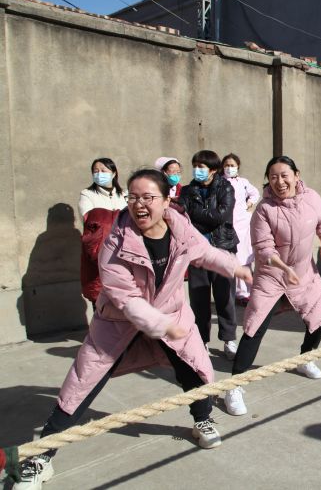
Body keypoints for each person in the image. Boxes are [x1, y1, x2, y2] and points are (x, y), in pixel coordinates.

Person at [16, 169, 253, 490]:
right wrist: (160, 325)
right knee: (82, 384)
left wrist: (236, 267)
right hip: (118, 322)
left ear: (166, 200)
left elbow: (205, 252)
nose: (139, 204)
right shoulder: (116, 241)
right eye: (133, 197)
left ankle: (202, 420)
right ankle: (41, 457)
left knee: (194, 370)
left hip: (171, 314)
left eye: (148, 197)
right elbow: (127, 300)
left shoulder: (180, 227)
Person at [224, 156, 321, 416]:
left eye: (284, 175)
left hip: (304, 272)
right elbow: (263, 248)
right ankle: (234, 385)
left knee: (320, 318)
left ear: (296, 175)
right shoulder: (264, 209)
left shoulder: (311, 197)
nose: (279, 181)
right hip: (271, 275)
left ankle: (305, 358)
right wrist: (284, 268)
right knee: (254, 327)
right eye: (273, 177)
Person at [178, 150, 240, 360]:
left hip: (222, 248)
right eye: (195, 166)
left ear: (213, 170)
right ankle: (201, 340)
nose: (197, 170)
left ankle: (229, 339)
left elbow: (221, 216)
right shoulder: (187, 191)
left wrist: (196, 216)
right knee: (199, 300)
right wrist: (201, 218)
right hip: (197, 253)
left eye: (201, 166)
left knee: (225, 298)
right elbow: (182, 217)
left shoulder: (226, 188)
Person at [221, 153, 260, 305]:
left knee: (246, 259)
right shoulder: (219, 182)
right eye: (226, 165)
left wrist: (249, 203)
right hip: (227, 225)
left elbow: (255, 193)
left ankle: (247, 292)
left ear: (238, 166)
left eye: (232, 165)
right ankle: (237, 293)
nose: (229, 168)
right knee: (233, 260)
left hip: (243, 226)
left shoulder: (243, 182)